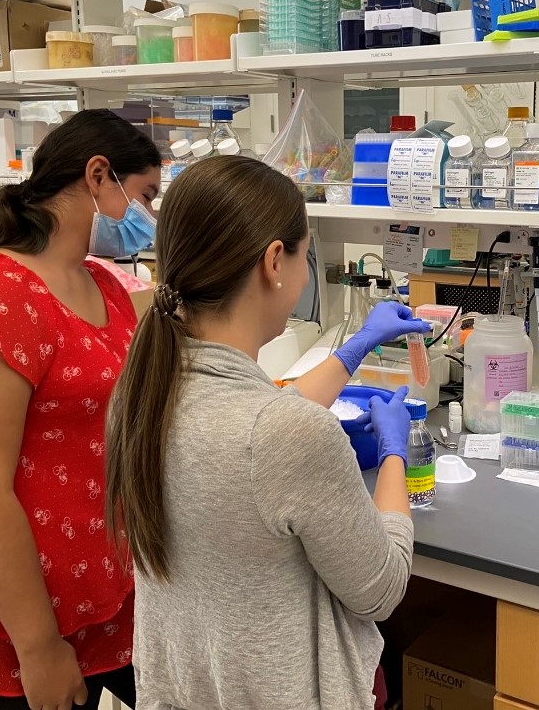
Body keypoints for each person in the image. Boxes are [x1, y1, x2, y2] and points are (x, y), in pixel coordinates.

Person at [104, 155, 428, 710]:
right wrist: (397, 452)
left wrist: (354, 349)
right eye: (305, 254)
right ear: (274, 260)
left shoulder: (139, 392)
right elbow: (381, 588)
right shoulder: (284, 435)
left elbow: (252, 425)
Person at [0, 109, 162, 709]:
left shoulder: (103, 285)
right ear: (98, 176)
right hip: (15, 615)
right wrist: (38, 645)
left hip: (99, 593)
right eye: (144, 195)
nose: (147, 218)